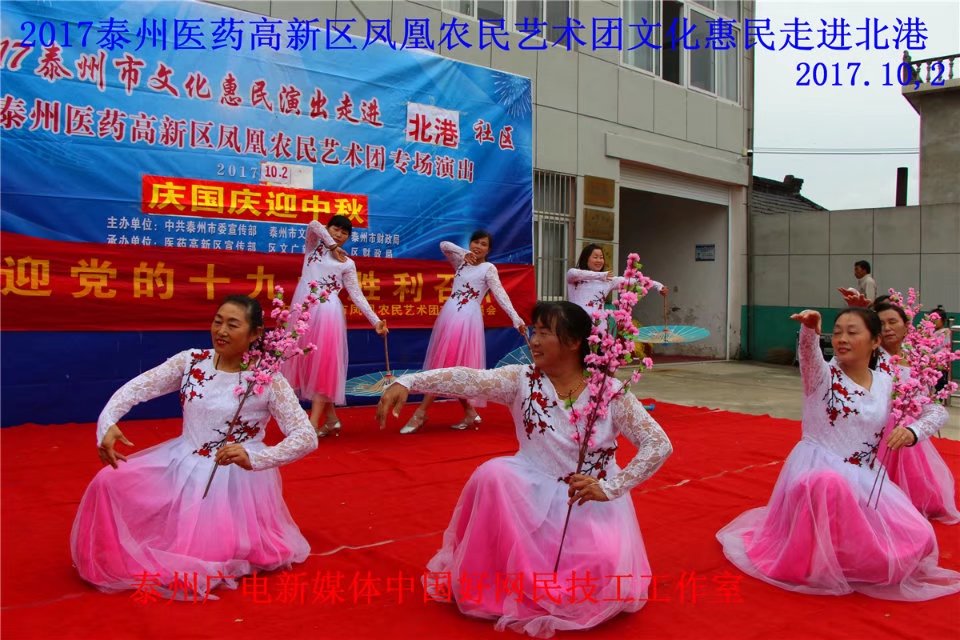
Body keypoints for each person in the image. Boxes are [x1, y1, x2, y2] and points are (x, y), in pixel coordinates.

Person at [378, 301, 672, 637]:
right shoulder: (521, 379)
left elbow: (658, 443)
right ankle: (497, 577)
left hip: (586, 499)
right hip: (529, 495)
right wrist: (409, 381)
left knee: (597, 581)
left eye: (544, 333)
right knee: (492, 474)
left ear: (573, 341)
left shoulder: (609, 392)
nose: (533, 340)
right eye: (534, 331)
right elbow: (469, 379)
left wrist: (610, 488)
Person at [71, 295, 319, 598]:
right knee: (108, 480)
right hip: (182, 456)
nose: (221, 331)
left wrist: (256, 458)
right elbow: (138, 387)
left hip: (234, 475)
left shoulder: (267, 379)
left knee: (198, 562)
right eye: (217, 321)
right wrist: (107, 422)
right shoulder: (191, 361)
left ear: (255, 333)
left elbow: (306, 436)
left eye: (232, 325)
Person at [717, 307, 958, 600]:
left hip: (865, 475)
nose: (842, 339)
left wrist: (913, 431)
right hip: (817, 472)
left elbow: (935, 411)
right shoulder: (822, 376)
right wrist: (809, 330)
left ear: (875, 341)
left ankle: (851, 555)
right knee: (829, 484)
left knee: (919, 538)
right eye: (838, 332)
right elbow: (808, 355)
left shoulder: (889, 382)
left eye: (852, 332)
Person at [400, 230, 527, 434]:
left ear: (489, 250)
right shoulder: (461, 261)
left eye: (483, 244)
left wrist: (515, 318)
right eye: (476, 242)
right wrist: (464, 253)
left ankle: (421, 412)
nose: (478, 247)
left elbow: (501, 295)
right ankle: (470, 412)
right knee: (452, 366)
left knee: (446, 364)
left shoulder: (489, 268)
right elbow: (444, 245)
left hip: (466, 319)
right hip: (449, 315)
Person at [281, 216, 388, 437]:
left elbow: (357, 296)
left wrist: (376, 321)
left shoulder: (347, 263)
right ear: (328, 229)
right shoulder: (313, 247)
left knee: (322, 367)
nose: (339, 235)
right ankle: (331, 420)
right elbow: (313, 225)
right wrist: (331, 245)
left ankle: (311, 425)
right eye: (335, 229)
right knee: (306, 364)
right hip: (303, 311)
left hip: (327, 315)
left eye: (344, 233)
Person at [873, 301, 959, 524]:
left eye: (893, 322)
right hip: (874, 432)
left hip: (905, 436)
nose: (887, 328)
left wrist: (915, 430)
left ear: (906, 326)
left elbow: (928, 404)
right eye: (881, 324)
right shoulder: (869, 358)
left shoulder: (916, 359)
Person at [566, 243, 665, 318]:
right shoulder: (574, 277)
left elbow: (632, 281)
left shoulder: (608, 280)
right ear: (585, 259)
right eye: (595, 257)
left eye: (601, 257)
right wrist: (601, 275)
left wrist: (658, 286)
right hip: (576, 322)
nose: (599, 260)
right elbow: (573, 273)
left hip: (598, 326)